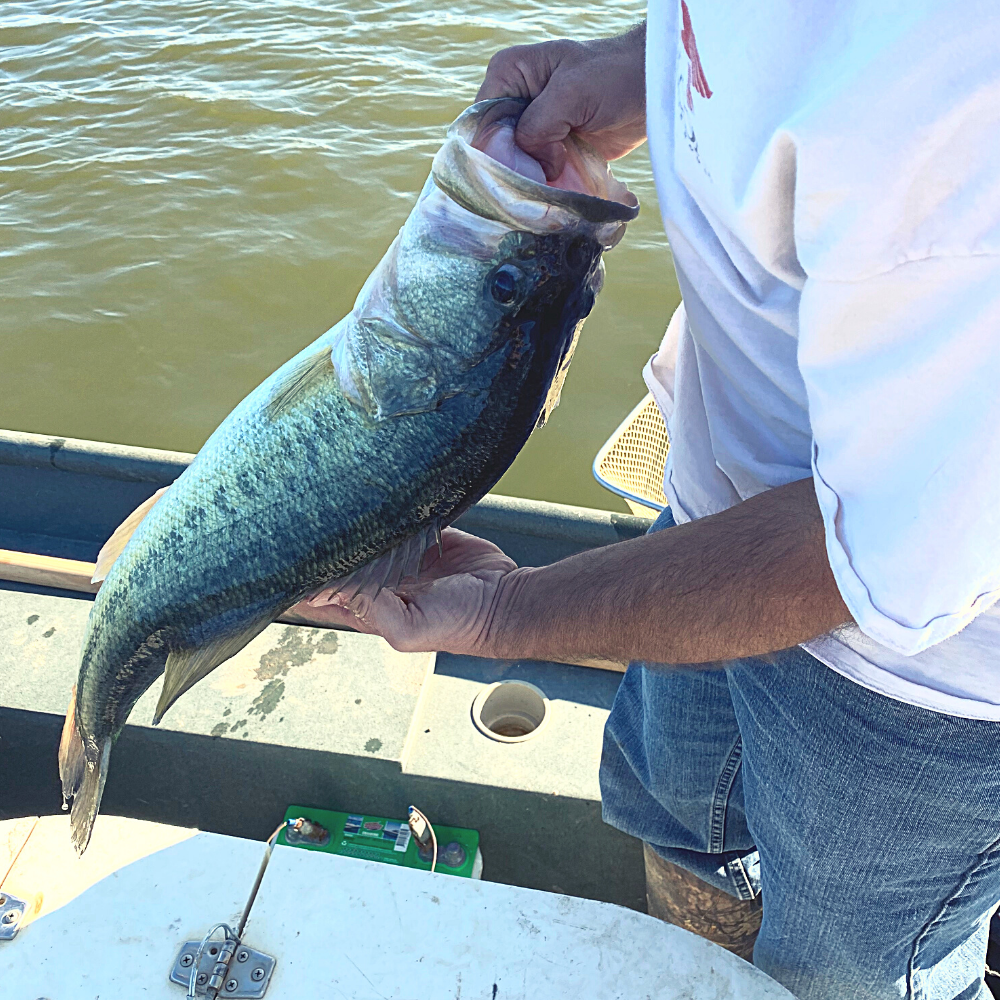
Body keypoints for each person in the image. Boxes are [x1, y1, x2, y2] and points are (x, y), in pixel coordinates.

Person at [297, 3, 1000, 997]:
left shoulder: (971, 129)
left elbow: (868, 559)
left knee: (848, 975)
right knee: (674, 816)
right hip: (718, 513)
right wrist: (654, 65)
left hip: (918, 694)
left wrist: (507, 612)